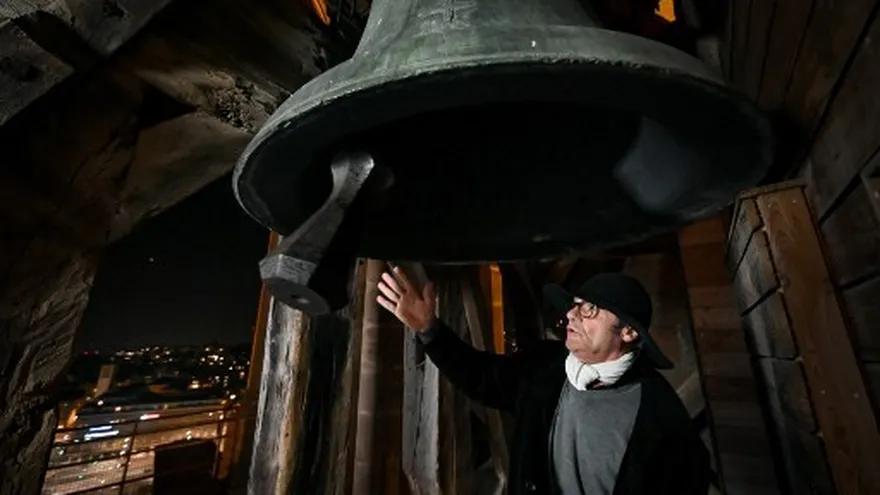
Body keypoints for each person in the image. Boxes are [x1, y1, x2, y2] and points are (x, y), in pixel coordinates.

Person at [377, 267, 710, 495]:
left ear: (628, 332)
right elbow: (480, 376)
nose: (571, 315)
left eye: (590, 309)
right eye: (574, 306)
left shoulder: (662, 419)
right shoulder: (546, 366)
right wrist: (429, 330)